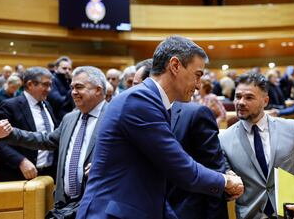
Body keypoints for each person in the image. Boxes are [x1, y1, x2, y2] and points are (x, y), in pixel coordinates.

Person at [77, 35, 243, 219]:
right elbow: (180, 167)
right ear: (175, 65)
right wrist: (225, 180)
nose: (198, 85)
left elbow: (156, 177)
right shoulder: (140, 101)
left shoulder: (155, 102)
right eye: (197, 75)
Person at [133, 59, 229, 219]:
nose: (131, 90)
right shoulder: (133, 119)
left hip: (183, 212)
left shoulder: (195, 114)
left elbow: (214, 172)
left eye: (136, 84)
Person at [0, 66, 107, 205]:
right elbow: (46, 140)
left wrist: (111, 164)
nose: (73, 92)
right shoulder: (70, 118)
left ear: (98, 89)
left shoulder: (116, 116)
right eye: (72, 87)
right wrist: (9, 133)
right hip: (64, 204)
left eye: (79, 87)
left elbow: (134, 153)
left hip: (97, 204)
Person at [220, 73, 294, 219]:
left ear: (265, 101)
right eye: (238, 96)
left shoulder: (292, 129)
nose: (241, 102)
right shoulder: (223, 139)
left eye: (249, 97)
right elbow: (226, 186)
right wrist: (228, 188)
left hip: (291, 214)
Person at [0, 67, 58, 181]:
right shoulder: (10, 106)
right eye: (45, 85)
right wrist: (21, 161)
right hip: (19, 175)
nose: (49, 89)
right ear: (30, 84)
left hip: (49, 174)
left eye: (50, 85)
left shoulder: (47, 105)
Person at [47, 56, 75, 123]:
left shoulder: (69, 81)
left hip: (67, 117)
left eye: (69, 69)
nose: (67, 71)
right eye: (64, 68)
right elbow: (57, 100)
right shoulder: (51, 80)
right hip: (56, 119)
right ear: (56, 68)